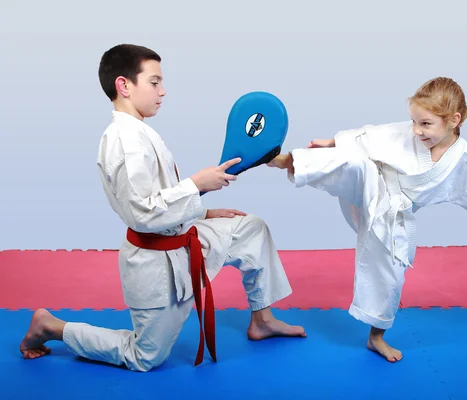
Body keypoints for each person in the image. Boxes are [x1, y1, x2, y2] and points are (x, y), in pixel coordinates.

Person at [19, 43, 306, 372]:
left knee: (249, 229)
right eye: (154, 82)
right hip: (154, 262)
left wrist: (203, 211)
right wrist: (197, 185)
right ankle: (51, 327)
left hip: (183, 236)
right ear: (124, 85)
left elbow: (161, 195)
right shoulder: (124, 142)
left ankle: (263, 320)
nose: (162, 91)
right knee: (145, 356)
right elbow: (142, 213)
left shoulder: (139, 131)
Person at [268, 77, 467, 363]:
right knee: (353, 163)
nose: (416, 130)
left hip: (395, 216)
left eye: (425, 124)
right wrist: (334, 143)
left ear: (454, 120)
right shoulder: (407, 133)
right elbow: (371, 136)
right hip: (371, 184)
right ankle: (285, 160)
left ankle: (375, 338)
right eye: (414, 121)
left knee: (392, 278)